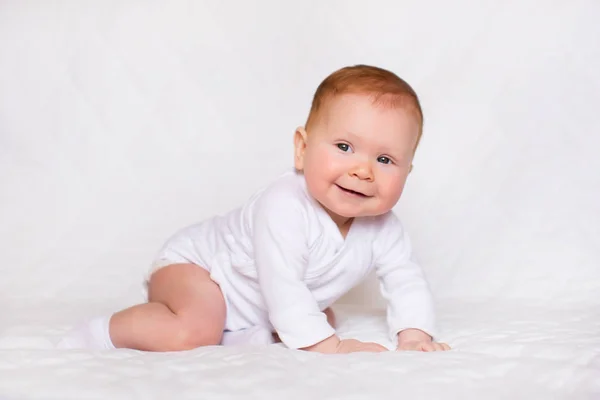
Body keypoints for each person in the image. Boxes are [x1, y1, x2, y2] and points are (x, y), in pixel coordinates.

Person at [58, 64, 451, 354]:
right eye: (344, 147)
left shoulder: (385, 228)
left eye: (385, 160)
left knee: (320, 318)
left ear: (407, 172)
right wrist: (329, 348)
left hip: (258, 300)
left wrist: (414, 334)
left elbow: (405, 280)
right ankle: (99, 333)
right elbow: (283, 284)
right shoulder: (283, 205)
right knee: (194, 330)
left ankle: (246, 334)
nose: (362, 170)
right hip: (199, 269)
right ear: (302, 148)